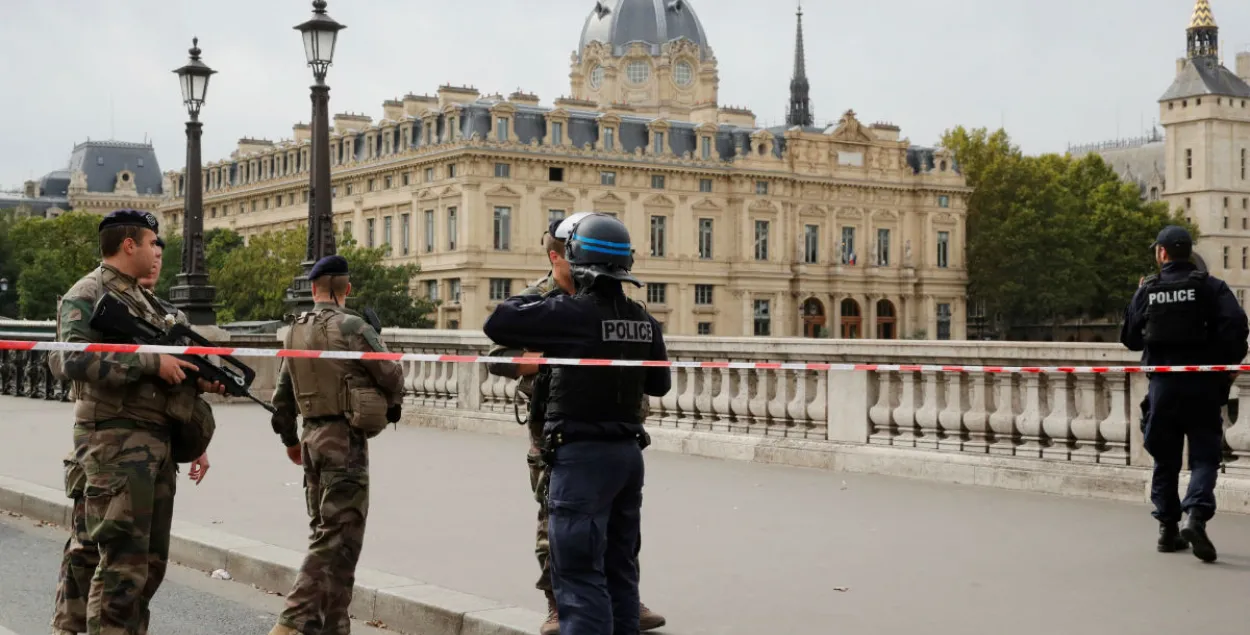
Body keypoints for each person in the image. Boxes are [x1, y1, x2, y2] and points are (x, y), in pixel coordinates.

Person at [484, 213, 671, 635]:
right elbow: (660, 384)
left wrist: (549, 289)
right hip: (627, 457)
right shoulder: (644, 320)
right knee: (621, 570)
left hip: (580, 457)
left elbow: (498, 321)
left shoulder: (567, 314)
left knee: (580, 576)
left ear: (573, 258)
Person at [47, 209, 224, 635]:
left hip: (152, 444)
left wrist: (200, 379)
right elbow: (67, 358)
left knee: (146, 566)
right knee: (118, 568)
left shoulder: (145, 302)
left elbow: (166, 369)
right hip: (114, 445)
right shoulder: (87, 292)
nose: (155, 251)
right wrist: (151, 361)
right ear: (129, 245)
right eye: (150, 242)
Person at [267, 255, 405, 635]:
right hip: (345, 443)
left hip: (311, 439)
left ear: (314, 289)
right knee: (338, 539)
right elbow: (392, 377)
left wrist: (290, 440)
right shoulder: (353, 326)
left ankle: (329, 626)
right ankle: (293, 619)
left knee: (329, 536)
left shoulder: (293, 331)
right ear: (347, 289)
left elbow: (282, 398)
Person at [1121, 225, 1248, 563]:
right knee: (1205, 456)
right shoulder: (1212, 288)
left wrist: (1138, 302)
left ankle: (1167, 530)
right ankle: (1196, 516)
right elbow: (1237, 329)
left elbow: (1131, 339)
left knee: (1166, 458)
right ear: (1189, 253)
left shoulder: (1148, 289)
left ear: (1162, 253)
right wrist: (1225, 367)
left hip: (1163, 387)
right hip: (1204, 384)